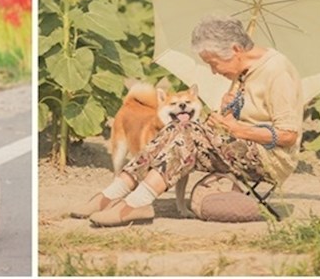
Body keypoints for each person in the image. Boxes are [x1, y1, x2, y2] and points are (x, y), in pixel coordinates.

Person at [70, 16, 304, 227]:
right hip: (242, 147)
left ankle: (137, 201)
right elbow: (247, 118)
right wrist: (227, 114)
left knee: (188, 131)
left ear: (235, 50)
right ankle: (114, 193)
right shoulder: (243, 72)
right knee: (177, 127)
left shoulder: (277, 71)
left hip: (270, 159)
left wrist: (238, 129)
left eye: (213, 63)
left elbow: (288, 135)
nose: (213, 72)